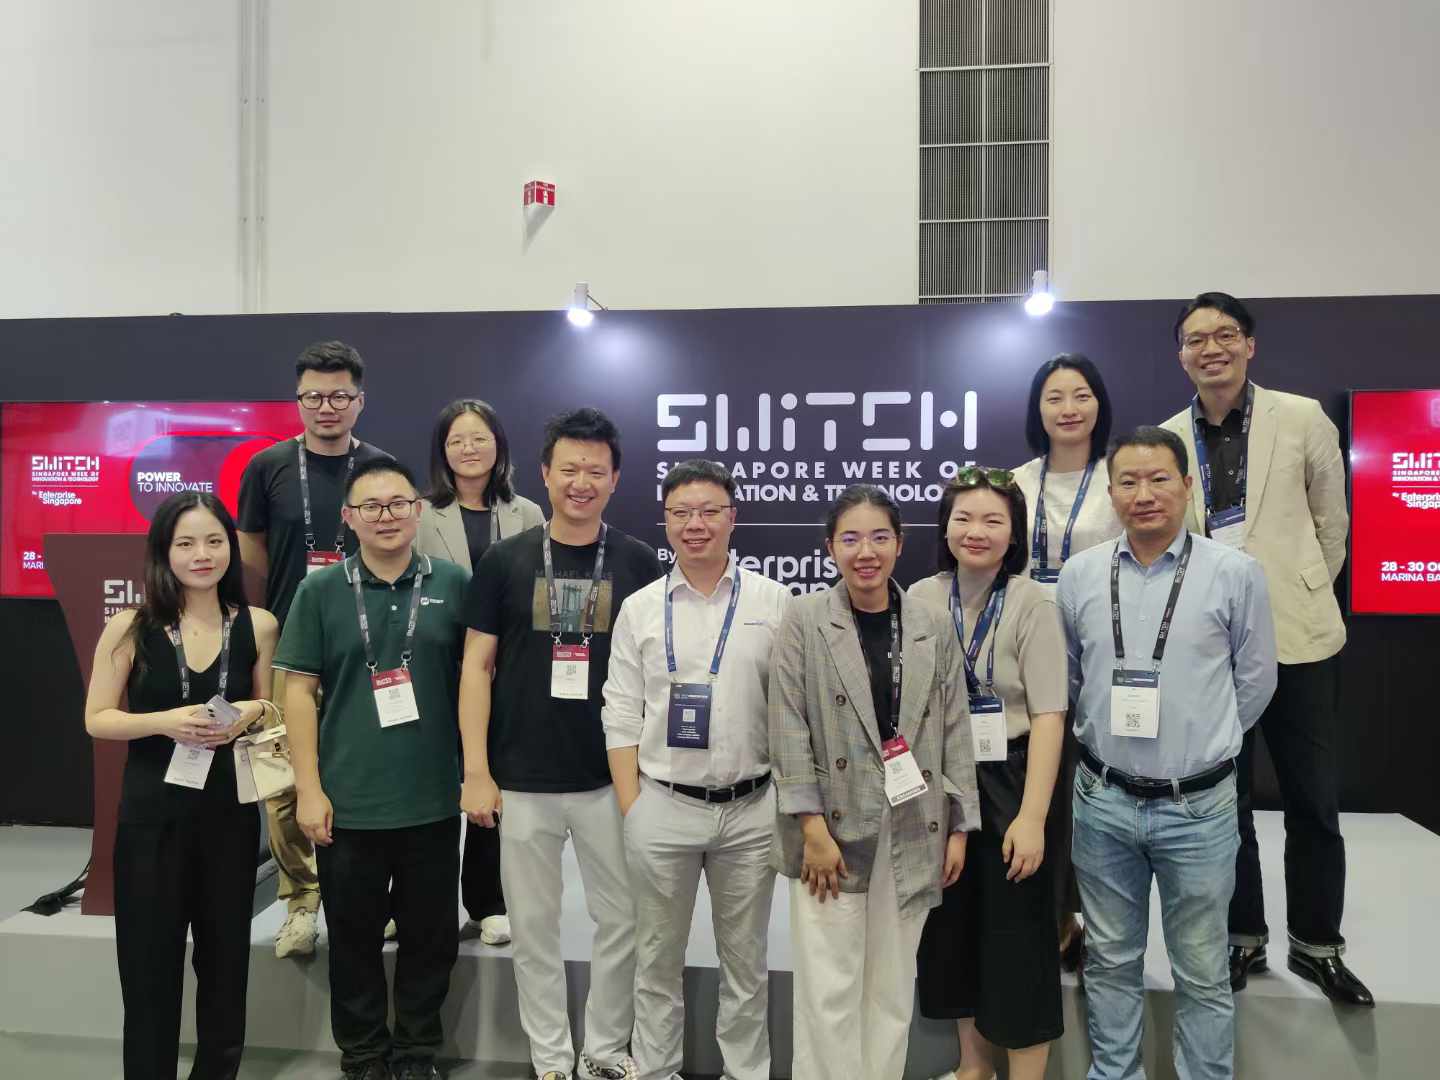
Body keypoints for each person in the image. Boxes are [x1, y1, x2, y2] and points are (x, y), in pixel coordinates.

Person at [1161, 291, 1372, 1006]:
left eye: (1225, 335)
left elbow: (1331, 521)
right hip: (1211, 651)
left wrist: (1297, 588)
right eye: (1196, 339)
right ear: (1181, 353)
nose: (1210, 348)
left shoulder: (1302, 416)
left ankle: (1318, 945)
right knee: (1228, 805)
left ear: (1249, 345)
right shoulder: (1169, 438)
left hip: (1300, 637)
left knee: (1313, 801)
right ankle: (1241, 937)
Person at [1057, 426, 1277, 1080]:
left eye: (1159, 479)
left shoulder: (1235, 574)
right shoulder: (1080, 575)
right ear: (1111, 490)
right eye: (1128, 481)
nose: (1143, 494)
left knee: (1203, 971)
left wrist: (1202, 745)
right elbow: (1073, 678)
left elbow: (1257, 678)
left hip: (1199, 809)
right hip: (1103, 803)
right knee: (1112, 961)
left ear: (1188, 486)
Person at [459, 407, 662, 1080]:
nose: (581, 481)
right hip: (520, 778)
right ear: (544, 473)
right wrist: (477, 771)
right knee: (534, 931)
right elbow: (475, 670)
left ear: (615, 479)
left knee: (622, 923)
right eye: (568, 468)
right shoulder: (503, 560)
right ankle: (549, 1060)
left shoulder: (636, 562)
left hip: (609, 780)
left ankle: (603, 1052)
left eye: (595, 471)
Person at [771, 484, 979, 1080]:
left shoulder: (928, 623)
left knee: (892, 985)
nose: (867, 551)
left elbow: (954, 727)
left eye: (880, 537)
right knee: (829, 988)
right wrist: (810, 828)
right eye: (851, 538)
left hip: (914, 825)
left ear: (900, 543)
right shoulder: (805, 619)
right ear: (830, 547)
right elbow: (787, 726)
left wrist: (959, 828)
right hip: (829, 833)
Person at [274, 459, 470, 1080]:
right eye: (371, 507)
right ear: (349, 518)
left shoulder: (456, 582)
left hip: (433, 800)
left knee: (429, 940)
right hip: (347, 801)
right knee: (353, 941)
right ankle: (362, 1056)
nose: (385, 516)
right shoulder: (321, 591)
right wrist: (308, 788)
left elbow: (479, 685)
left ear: (418, 510)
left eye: (397, 504)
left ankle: (416, 1053)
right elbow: (297, 693)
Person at [602, 459, 791, 1080]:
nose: (696, 524)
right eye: (682, 512)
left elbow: (791, 710)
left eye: (710, 511)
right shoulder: (639, 609)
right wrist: (634, 806)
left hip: (750, 810)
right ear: (665, 522)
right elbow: (622, 711)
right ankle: (656, 1071)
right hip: (663, 806)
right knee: (657, 960)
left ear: (733, 519)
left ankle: (748, 1071)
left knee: (747, 961)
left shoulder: (774, 602)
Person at [84, 492, 279, 1079]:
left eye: (214, 541)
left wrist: (251, 710)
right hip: (151, 823)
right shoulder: (131, 625)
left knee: (225, 972)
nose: (202, 554)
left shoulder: (259, 625)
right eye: (186, 543)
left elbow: (271, 709)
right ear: (163, 552)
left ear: (231, 548)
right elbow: (97, 717)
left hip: (229, 821)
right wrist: (166, 722)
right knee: (148, 973)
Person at [237, 339, 394, 959]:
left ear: (359, 400)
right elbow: (251, 550)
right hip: (286, 640)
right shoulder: (267, 465)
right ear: (298, 399)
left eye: (339, 395)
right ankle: (301, 900)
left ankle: (371, 897)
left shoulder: (379, 466)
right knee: (282, 777)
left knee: (360, 769)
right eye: (313, 395)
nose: (326, 406)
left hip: (362, 640)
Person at [910, 469, 1066, 1080]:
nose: (976, 532)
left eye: (993, 520)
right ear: (945, 526)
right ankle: (973, 1069)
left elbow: (1051, 716)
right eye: (964, 518)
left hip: (1013, 776)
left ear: (1015, 533)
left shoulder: (1032, 602)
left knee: (1019, 938)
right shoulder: (920, 597)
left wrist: (1031, 818)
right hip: (940, 778)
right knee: (952, 929)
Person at [415, 398, 544, 949]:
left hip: (509, 668)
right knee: (434, 784)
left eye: (479, 438)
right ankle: (419, 900)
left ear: (499, 446)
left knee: (496, 784)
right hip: (435, 665)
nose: (469, 450)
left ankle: (487, 900)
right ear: (442, 452)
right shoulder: (419, 513)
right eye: (456, 441)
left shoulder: (529, 513)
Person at [1011, 353, 1123, 975]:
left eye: (1080, 395)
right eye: (1054, 397)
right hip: (1025, 654)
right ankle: (1050, 916)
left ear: (1098, 404)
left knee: (1092, 796)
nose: (1069, 409)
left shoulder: (1119, 479)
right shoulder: (1014, 483)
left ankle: (1088, 916)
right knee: (1040, 793)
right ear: (1038, 409)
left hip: (1102, 652)